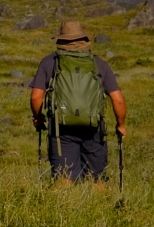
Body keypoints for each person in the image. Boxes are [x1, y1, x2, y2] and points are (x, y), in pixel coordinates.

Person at [29, 20, 127, 185]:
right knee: (97, 179)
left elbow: (36, 97)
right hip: (93, 128)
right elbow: (118, 100)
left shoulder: (49, 62)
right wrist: (121, 125)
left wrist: (38, 117)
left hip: (62, 129)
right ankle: (101, 208)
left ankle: (65, 208)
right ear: (83, 38)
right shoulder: (99, 64)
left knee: (64, 178)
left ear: (61, 39)